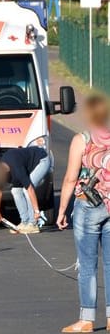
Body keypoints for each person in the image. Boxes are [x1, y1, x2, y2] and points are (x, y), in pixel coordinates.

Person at [57, 95, 110, 333]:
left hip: (87, 205)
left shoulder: (82, 140)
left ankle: (87, 319)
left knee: (87, 264)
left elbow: (70, 178)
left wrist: (61, 210)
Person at [0, 146, 51, 234]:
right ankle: (25, 222)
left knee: (25, 190)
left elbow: (30, 189)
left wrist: (36, 211)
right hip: (27, 164)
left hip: (42, 160)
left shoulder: (17, 169)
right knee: (15, 191)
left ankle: (33, 224)